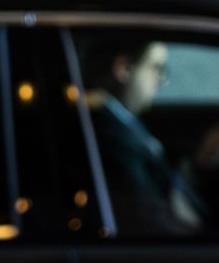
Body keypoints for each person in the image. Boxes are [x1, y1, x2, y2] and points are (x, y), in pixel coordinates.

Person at [78, 37, 206, 236]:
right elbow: (143, 214)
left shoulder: (120, 123)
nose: (161, 81)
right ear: (124, 69)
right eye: (156, 68)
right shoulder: (108, 132)